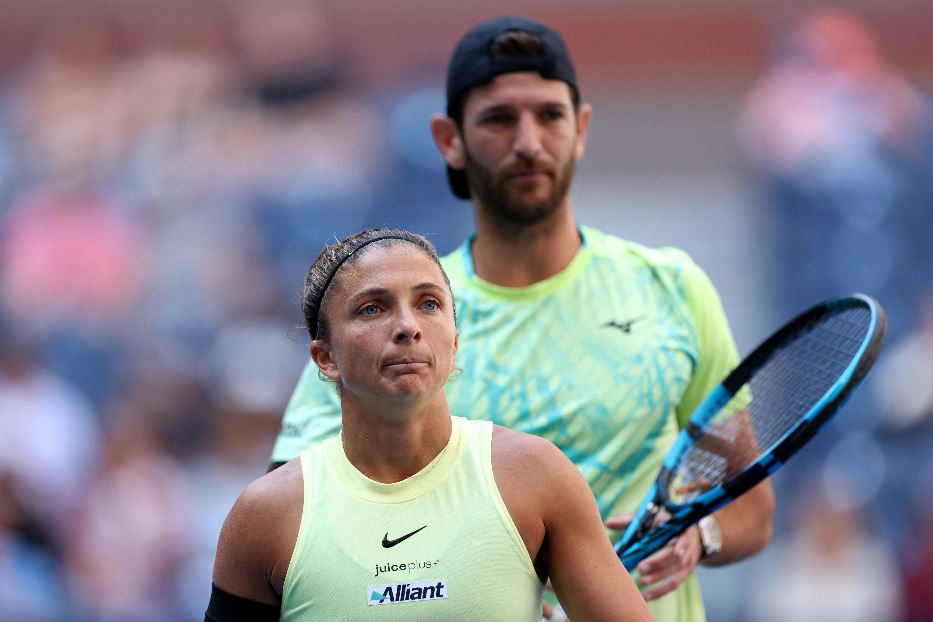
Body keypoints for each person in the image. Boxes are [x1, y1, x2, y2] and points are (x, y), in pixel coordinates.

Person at [270, 16, 775, 620]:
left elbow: (751, 504)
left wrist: (701, 534)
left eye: (550, 116)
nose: (529, 141)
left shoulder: (672, 289)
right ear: (448, 139)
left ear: (581, 128)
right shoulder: (398, 314)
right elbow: (296, 523)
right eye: (499, 119)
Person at [207, 228, 655, 621]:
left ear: (454, 343)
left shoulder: (536, 476)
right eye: (372, 309)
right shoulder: (265, 516)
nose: (407, 326)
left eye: (428, 303)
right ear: (325, 359)